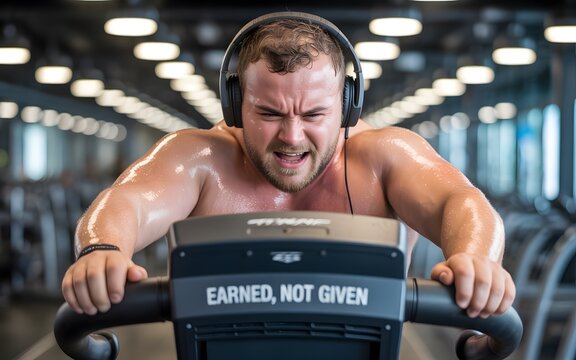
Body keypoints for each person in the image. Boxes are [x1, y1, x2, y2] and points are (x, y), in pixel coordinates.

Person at [62, 12, 515, 321]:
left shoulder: (383, 158)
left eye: (314, 115)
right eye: (270, 114)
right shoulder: (201, 158)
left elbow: (462, 202)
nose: (292, 136)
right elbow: (127, 201)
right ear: (238, 105)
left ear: (347, 108)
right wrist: (102, 250)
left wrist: (476, 259)